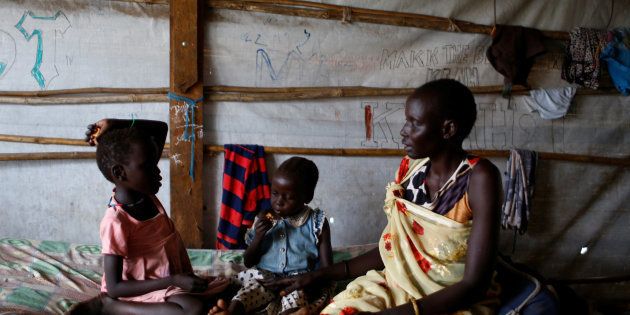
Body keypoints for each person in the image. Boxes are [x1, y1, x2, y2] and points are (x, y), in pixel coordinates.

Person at [265, 79, 505, 314]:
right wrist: (317, 275)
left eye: (415, 123)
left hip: (448, 299)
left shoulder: (480, 177)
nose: (403, 132)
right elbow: (393, 249)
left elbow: (474, 286)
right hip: (395, 285)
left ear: (448, 129)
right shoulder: (411, 170)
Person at [68, 118, 228, 315]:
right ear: (120, 172)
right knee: (191, 310)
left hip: (164, 280)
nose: (158, 172)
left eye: (156, 163)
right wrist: (174, 280)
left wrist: (113, 123)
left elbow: (160, 128)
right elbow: (114, 287)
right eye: (148, 166)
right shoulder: (115, 221)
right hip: (135, 290)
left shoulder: (145, 194)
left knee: (215, 296)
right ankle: (109, 306)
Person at [209, 157, 334, 315]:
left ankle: (294, 312)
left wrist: (308, 282)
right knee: (245, 294)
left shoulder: (316, 222)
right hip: (266, 278)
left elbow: (327, 269)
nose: (278, 202)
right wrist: (259, 236)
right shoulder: (264, 218)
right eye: (274, 193)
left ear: (307, 197)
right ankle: (229, 312)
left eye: (288, 197)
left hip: (297, 281)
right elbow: (249, 261)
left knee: (296, 297)